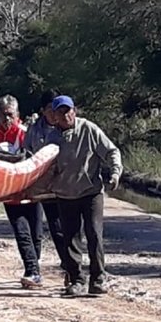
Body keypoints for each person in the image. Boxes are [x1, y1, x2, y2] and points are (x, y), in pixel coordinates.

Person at [49, 95, 123, 296]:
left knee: (94, 234)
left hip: (91, 192)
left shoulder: (89, 129)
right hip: (64, 194)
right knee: (71, 238)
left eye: (68, 110)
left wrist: (115, 173)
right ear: (54, 116)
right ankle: (76, 280)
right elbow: (43, 165)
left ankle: (98, 279)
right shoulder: (52, 137)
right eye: (60, 112)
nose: (65, 115)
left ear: (75, 110)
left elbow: (111, 151)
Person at [0, 95, 43, 289]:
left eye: (10, 114)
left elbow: (35, 161)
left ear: (17, 113)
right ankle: (32, 271)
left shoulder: (26, 133)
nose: (7, 119)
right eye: (3, 115)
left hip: (31, 192)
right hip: (10, 194)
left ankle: (34, 269)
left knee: (36, 234)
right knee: (22, 233)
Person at [23, 89, 73, 287]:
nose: (54, 114)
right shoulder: (34, 130)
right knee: (42, 229)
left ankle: (70, 268)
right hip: (41, 187)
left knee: (62, 229)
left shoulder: (66, 129)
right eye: (49, 110)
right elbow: (26, 153)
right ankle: (34, 270)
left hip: (64, 186)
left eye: (56, 110)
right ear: (43, 111)